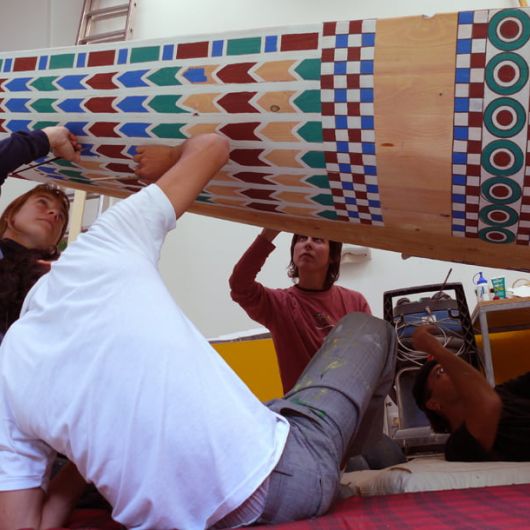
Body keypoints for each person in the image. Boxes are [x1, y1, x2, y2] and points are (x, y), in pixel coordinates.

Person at [0, 134, 397, 530]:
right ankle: (340, 464)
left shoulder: (9, 372)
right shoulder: (98, 250)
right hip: (282, 472)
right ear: (50, 259)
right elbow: (215, 146)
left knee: (282, 413)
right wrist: (173, 159)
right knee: (372, 330)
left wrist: (87, 454)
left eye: (319, 240)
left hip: (254, 444)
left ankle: (343, 457)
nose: (52, 215)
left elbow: (25, 524)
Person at [229, 228, 371, 393]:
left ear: (332, 255)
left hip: (349, 402)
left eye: (318, 239)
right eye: (302, 238)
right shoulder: (278, 304)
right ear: (293, 251)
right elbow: (239, 284)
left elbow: (370, 359)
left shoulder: (355, 302)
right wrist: (268, 233)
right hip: (300, 406)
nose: (308, 244)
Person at [0, 127, 80, 342]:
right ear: (11, 216)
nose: (54, 213)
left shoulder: (61, 284)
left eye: (61, 216)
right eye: (42, 203)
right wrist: (48, 139)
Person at [412, 325, 530, 462]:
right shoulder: (457, 447)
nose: (453, 372)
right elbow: (488, 405)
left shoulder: (502, 392)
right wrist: (434, 348)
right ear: (434, 403)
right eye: (440, 371)